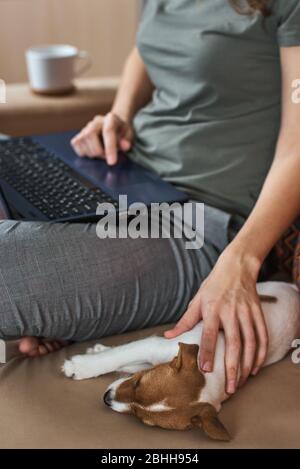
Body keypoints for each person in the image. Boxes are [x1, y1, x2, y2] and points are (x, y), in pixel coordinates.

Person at [1, 0, 300, 396]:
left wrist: (242, 261)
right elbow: (146, 49)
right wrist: (120, 114)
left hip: (198, 222)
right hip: (120, 175)